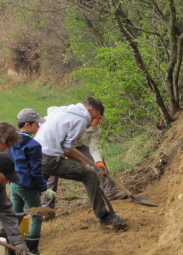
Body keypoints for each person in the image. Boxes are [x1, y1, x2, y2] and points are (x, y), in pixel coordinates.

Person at [34, 97, 126, 226]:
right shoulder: (81, 119)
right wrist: (79, 161)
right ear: (89, 110)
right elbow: (67, 150)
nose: (97, 120)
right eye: (97, 116)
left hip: (36, 154)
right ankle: (104, 216)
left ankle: (18, 218)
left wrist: (98, 163)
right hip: (51, 156)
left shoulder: (64, 110)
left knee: (35, 187)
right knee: (89, 175)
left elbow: (90, 148)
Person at [8, 108, 55, 255]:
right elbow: (35, 171)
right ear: (27, 125)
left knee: (16, 216)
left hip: (14, 184)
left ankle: (10, 252)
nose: (39, 127)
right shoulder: (33, 145)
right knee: (37, 215)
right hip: (27, 185)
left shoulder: (10, 141)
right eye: (36, 124)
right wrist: (44, 188)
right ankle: (33, 251)